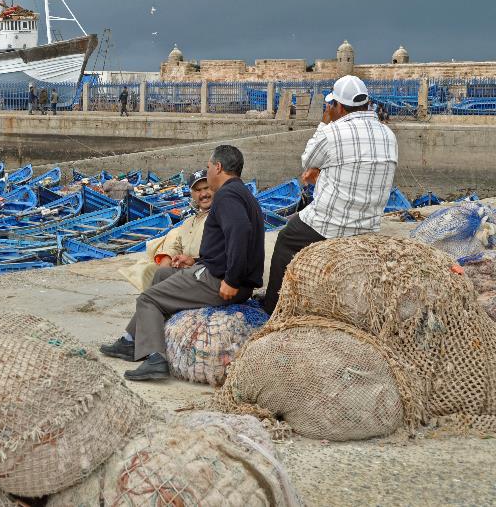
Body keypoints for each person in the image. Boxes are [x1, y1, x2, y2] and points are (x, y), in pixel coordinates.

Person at [100, 145, 264, 381]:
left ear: (218, 167)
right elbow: (231, 243)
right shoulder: (242, 193)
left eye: (208, 168)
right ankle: (130, 341)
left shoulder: (227, 195)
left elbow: (239, 232)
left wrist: (231, 279)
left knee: (148, 299)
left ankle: (156, 358)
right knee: (160, 276)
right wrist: (195, 261)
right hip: (217, 273)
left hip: (219, 281)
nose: (207, 174)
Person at [262, 75, 398, 314]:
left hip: (331, 225)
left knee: (285, 240)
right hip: (368, 224)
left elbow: (308, 160)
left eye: (331, 105)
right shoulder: (387, 134)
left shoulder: (332, 132)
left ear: (338, 106)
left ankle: (273, 307)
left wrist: (324, 123)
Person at [120, 170, 213, 291]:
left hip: (204, 271)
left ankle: (157, 302)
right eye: (198, 190)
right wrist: (168, 258)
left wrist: (193, 262)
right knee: (146, 271)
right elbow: (176, 241)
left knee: (160, 277)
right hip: (184, 268)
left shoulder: (220, 216)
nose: (204, 194)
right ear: (192, 194)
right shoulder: (188, 222)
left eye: (207, 188)